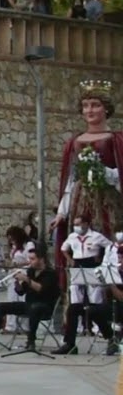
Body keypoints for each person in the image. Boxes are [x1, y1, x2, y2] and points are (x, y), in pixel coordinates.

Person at [50, 81, 123, 284]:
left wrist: (103, 172)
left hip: (108, 196)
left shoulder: (116, 139)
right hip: (81, 198)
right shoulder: (75, 141)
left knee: (108, 238)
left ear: (106, 108)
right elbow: (71, 180)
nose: (89, 110)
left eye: (95, 105)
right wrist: (61, 213)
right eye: (86, 105)